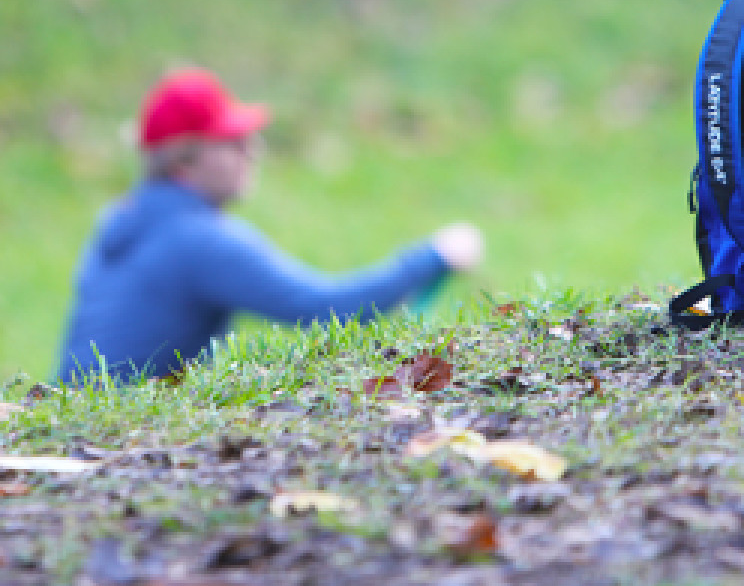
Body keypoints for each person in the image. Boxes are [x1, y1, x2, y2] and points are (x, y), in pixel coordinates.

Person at [56, 68, 484, 383]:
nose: (252, 151)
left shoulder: (123, 220)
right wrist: (434, 256)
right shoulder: (197, 240)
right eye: (231, 143)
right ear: (183, 160)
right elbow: (324, 311)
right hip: (126, 438)